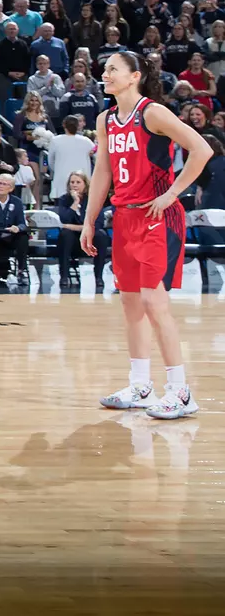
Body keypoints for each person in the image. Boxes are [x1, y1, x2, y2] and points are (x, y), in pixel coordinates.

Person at [86, 50, 206, 419]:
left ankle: (181, 392)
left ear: (134, 76)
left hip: (159, 217)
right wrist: (90, 221)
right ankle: (140, 385)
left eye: (112, 70)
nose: (104, 75)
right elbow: (103, 172)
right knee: (131, 303)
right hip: (124, 218)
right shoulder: (106, 118)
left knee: (155, 304)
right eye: (104, 70)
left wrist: (171, 193)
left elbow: (201, 149)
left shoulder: (152, 112)